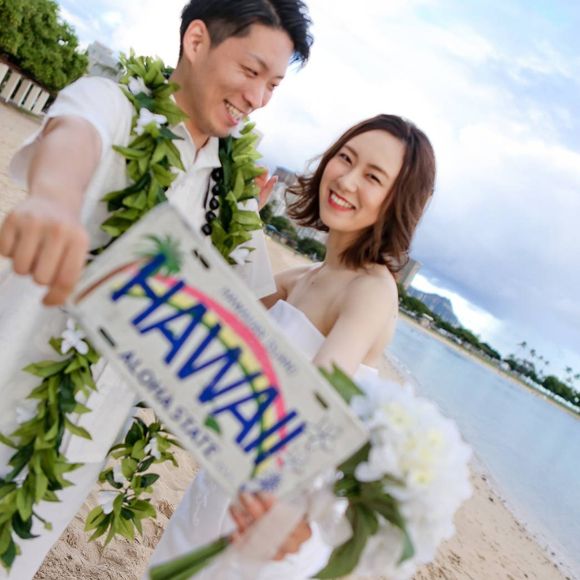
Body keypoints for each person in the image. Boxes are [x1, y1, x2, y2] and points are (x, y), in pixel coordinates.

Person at [0, 1, 313, 577]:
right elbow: (74, 139)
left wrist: (323, 283)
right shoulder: (114, 105)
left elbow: (245, 320)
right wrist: (55, 202)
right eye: (251, 71)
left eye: (273, 84)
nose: (258, 98)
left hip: (76, 446)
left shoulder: (233, 194)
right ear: (196, 41)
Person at [148, 114, 436, 578]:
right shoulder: (302, 278)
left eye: (373, 177)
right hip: (224, 484)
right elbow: (216, 313)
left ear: (396, 201)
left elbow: (316, 399)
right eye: (345, 158)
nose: (347, 179)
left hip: (274, 505)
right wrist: (240, 212)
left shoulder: (372, 291)